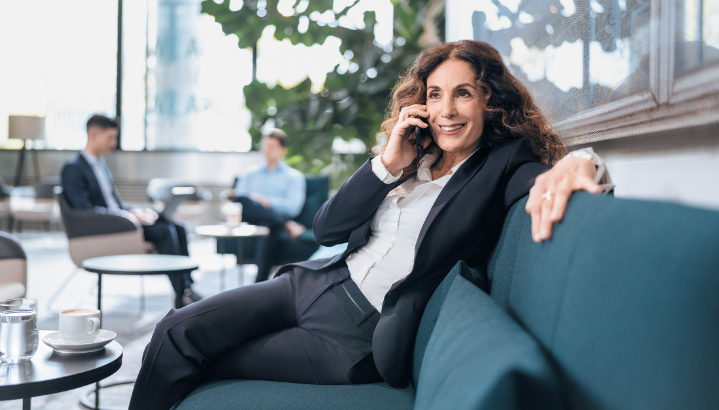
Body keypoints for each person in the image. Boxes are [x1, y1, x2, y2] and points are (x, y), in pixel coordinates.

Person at [128, 41, 612, 410]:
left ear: (491, 102)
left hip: (355, 332)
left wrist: (583, 163)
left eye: (463, 94)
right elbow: (326, 229)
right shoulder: (411, 158)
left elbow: (546, 179)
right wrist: (388, 162)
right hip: (313, 283)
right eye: (435, 95)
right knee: (174, 333)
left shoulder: (503, 164)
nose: (446, 110)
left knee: (202, 361)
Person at [60, 114, 199, 309]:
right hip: (108, 228)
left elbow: (116, 203)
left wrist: (137, 211)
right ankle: (182, 295)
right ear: (93, 136)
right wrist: (126, 216)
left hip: (121, 220)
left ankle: (187, 288)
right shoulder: (73, 168)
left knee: (178, 226)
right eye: (110, 138)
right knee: (166, 233)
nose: (114, 143)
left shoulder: (101, 165)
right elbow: (85, 210)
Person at [233, 129, 306, 282]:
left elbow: (293, 207)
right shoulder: (249, 174)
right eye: (265, 146)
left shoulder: (294, 177)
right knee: (243, 200)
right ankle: (286, 224)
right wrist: (256, 200)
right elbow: (239, 199)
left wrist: (267, 201)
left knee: (269, 224)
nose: (267, 150)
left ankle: (259, 283)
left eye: (272, 146)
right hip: (249, 215)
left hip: (271, 219)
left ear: (283, 150)